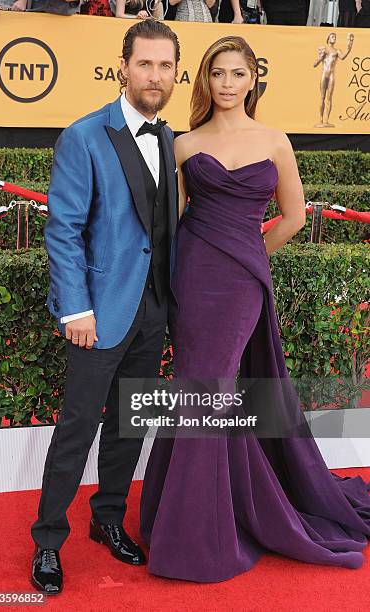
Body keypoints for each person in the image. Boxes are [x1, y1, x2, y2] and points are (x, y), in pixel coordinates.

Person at [139, 35, 370, 583]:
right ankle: (193, 520)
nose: (226, 83)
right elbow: (170, 225)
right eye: (217, 73)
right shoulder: (183, 144)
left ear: (252, 80)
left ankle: (196, 523)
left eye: (237, 74)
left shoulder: (275, 141)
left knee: (212, 386)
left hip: (242, 280)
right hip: (194, 277)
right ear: (205, 80)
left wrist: (249, 253)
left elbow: (292, 214)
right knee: (201, 385)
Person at [30, 18, 180, 594]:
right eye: (145, 63)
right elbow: (63, 230)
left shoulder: (170, 140)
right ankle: (47, 540)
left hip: (154, 312)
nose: (155, 75)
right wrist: (75, 310)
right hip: (98, 314)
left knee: (128, 426)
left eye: (165, 66)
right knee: (76, 431)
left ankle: (108, 520)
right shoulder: (85, 134)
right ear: (123, 67)